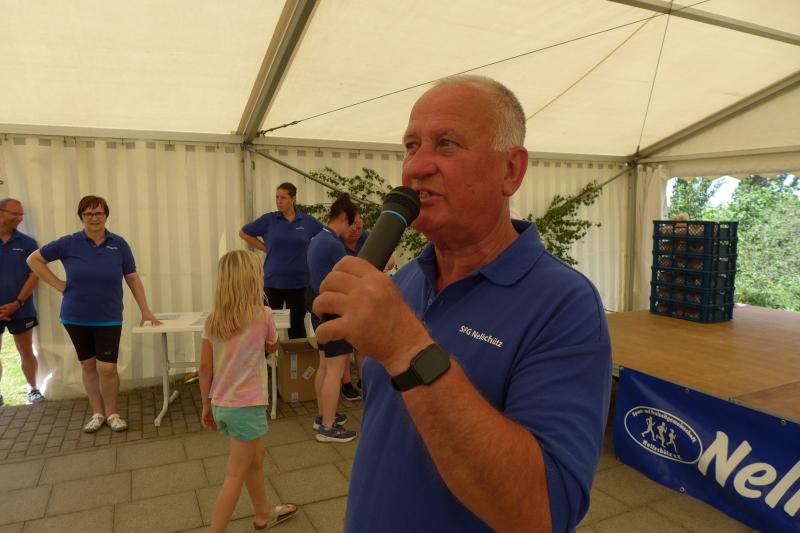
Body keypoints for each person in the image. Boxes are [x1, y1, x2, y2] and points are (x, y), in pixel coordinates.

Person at [312, 76, 612, 531]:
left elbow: (544, 513)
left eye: (446, 143)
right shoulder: (403, 283)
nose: (416, 167)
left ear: (511, 171)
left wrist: (407, 349)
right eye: (411, 146)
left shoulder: (566, 304)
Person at [27, 195, 161, 432]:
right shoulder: (68, 243)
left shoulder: (119, 244)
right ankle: (97, 413)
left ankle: (112, 413)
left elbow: (132, 277)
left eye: (99, 213)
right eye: (88, 213)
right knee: (88, 365)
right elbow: (34, 259)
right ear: (81, 217)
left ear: (106, 216)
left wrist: (145, 310)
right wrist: (58, 284)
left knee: (107, 368)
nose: (94, 218)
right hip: (75, 316)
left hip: (109, 316)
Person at [199, 249, 298, 532]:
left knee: (256, 458)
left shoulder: (212, 319)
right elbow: (272, 347)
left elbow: (205, 368)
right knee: (235, 474)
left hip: (222, 403)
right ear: (253, 280)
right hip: (248, 406)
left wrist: (206, 405)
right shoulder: (263, 314)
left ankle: (263, 512)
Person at [239, 182, 323, 339]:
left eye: (283, 198)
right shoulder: (269, 220)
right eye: (277, 197)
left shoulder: (307, 221)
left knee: (297, 326)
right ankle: (266, 355)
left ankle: (296, 356)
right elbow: (244, 232)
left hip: (299, 283)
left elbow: (324, 237)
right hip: (273, 282)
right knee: (267, 326)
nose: (279, 201)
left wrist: (313, 253)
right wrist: (264, 247)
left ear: (293, 199)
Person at [307, 193, 358, 443]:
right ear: (343, 217)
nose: (353, 230)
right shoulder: (334, 245)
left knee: (325, 367)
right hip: (334, 314)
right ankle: (328, 427)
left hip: (319, 310)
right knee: (335, 372)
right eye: (352, 223)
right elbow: (351, 279)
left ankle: (322, 416)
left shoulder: (318, 239)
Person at [338, 210, 396, 401]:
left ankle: (364, 380)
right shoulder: (336, 242)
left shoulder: (369, 237)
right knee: (344, 343)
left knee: (362, 342)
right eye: (353, 226)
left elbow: (391, 259)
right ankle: (346, 383)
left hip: (365, 297)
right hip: (345, 296)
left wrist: (385, 264)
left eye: (359, 226)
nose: (357, 230)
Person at [0, 198, 44, 405]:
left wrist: (17, 303)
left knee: (26, 350)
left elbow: (34, 275)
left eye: (21, 214)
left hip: (22, 308)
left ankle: (33, 389)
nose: (20, 218)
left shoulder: (27, 243)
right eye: (15, 213)